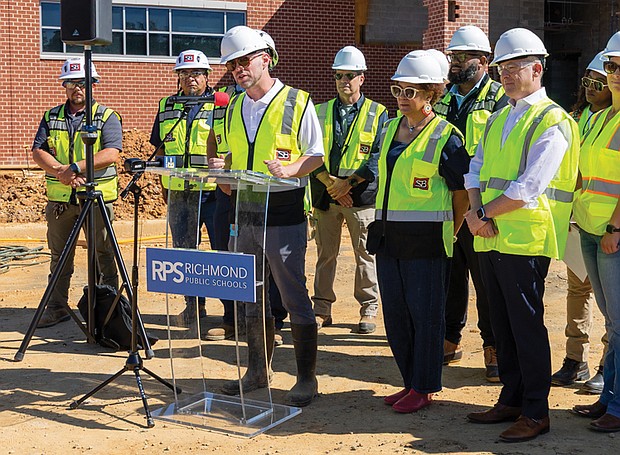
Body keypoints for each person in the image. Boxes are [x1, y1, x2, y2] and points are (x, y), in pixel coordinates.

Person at [464, 28, 579, 442]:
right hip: (490, 235)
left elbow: (530, 187)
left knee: (527, 327)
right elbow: (475, 167)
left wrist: (480, 213)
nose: (506, 76)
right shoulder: (499, 117)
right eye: (501, 69)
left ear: (537, 68)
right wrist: (478, 216)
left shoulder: (553, 121)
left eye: (514, 68)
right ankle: (511, 398)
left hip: (524, 241)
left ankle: (536, 411)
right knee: (503, 325)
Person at [218, 26, 324, 407]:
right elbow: (234, 155)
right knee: (250, 295)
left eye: (244, 61)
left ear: (266, 58)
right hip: (244, 211)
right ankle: (257, 371)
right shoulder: (233, 105)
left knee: (293, 294)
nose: (239, 70)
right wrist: (222, 168)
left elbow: (316, 153)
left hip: (283, 213)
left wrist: (293, 168)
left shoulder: (297, 101)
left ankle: (306, 379)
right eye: (233, 65)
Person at [368, 50, 470, 413]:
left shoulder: (448, 136)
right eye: (398, 89)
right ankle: (409, 381)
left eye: (411, 91)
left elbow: (462, 194)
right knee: (396, 315)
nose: (402, 98)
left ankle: (424, 386)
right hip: (389, 238)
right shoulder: (389, 128)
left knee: (426, 317)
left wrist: (452, 231)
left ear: (431, 94)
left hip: (427, 243)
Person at [434, 26, 508, 382]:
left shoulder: (498, 99)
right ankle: (450, 338)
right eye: (453, 56)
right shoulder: (444, 99)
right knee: (451, 275)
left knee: (486, 280)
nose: (456, 62)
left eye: (463, 57)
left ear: (485, 60)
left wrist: (480, 207)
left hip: (481, 205)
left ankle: (493, 346)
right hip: (446, 201)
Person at [32, 57, 121, 328]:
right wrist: (62, 171)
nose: (77, 88)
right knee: (60, 257)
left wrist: (75, 167)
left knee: (103, 254)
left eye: (82, 83)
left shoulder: (106, 116)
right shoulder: (51, 116)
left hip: (96, 199)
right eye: (71, 83)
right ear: (64, 86)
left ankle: (108, 310)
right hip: (61, 201)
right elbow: (38, 150)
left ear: (92, 84)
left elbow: (112, 153)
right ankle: (57, 306)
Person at [310, 46, 387, 334]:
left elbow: (378, 157)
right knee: (325, 254)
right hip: (326, 193)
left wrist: (348, 184)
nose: (345, 80)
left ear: (362, 78)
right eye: (339, 75)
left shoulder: (378, 113)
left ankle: (369, 308)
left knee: (365, 254)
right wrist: (332, 185)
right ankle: (321, 308)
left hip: (361, 194)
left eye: (350, 75)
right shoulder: (319, 112)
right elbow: (308, 151)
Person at [552, 51, 611, 393]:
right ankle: (575, 359)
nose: (590, 89)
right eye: (586, 82)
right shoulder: (579, 119)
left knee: (609, 301)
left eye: (598, 83)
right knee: (578, 290)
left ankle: (606, 364)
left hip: (607, 226)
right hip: (579, 220)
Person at [571, 32, 620, 433]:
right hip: (590, 229)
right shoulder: (601, 116)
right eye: (611, 66)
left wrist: (616, 226)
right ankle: (609, 398)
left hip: (612, 234)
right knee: (612, 322)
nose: (615, 74)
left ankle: (618, 405)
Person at [149, 49, 218, 325]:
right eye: (185, 73)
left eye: (197, 73)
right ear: (178, 76)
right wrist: (163, 183)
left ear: (206, 76)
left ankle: (229, 313)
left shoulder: (220, 103)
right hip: (179, 192)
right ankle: (194, 307)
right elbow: (162, 146)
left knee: (223, 250)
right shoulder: (167, 105)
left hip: (213, 191)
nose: (191, 79)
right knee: (184, 252)